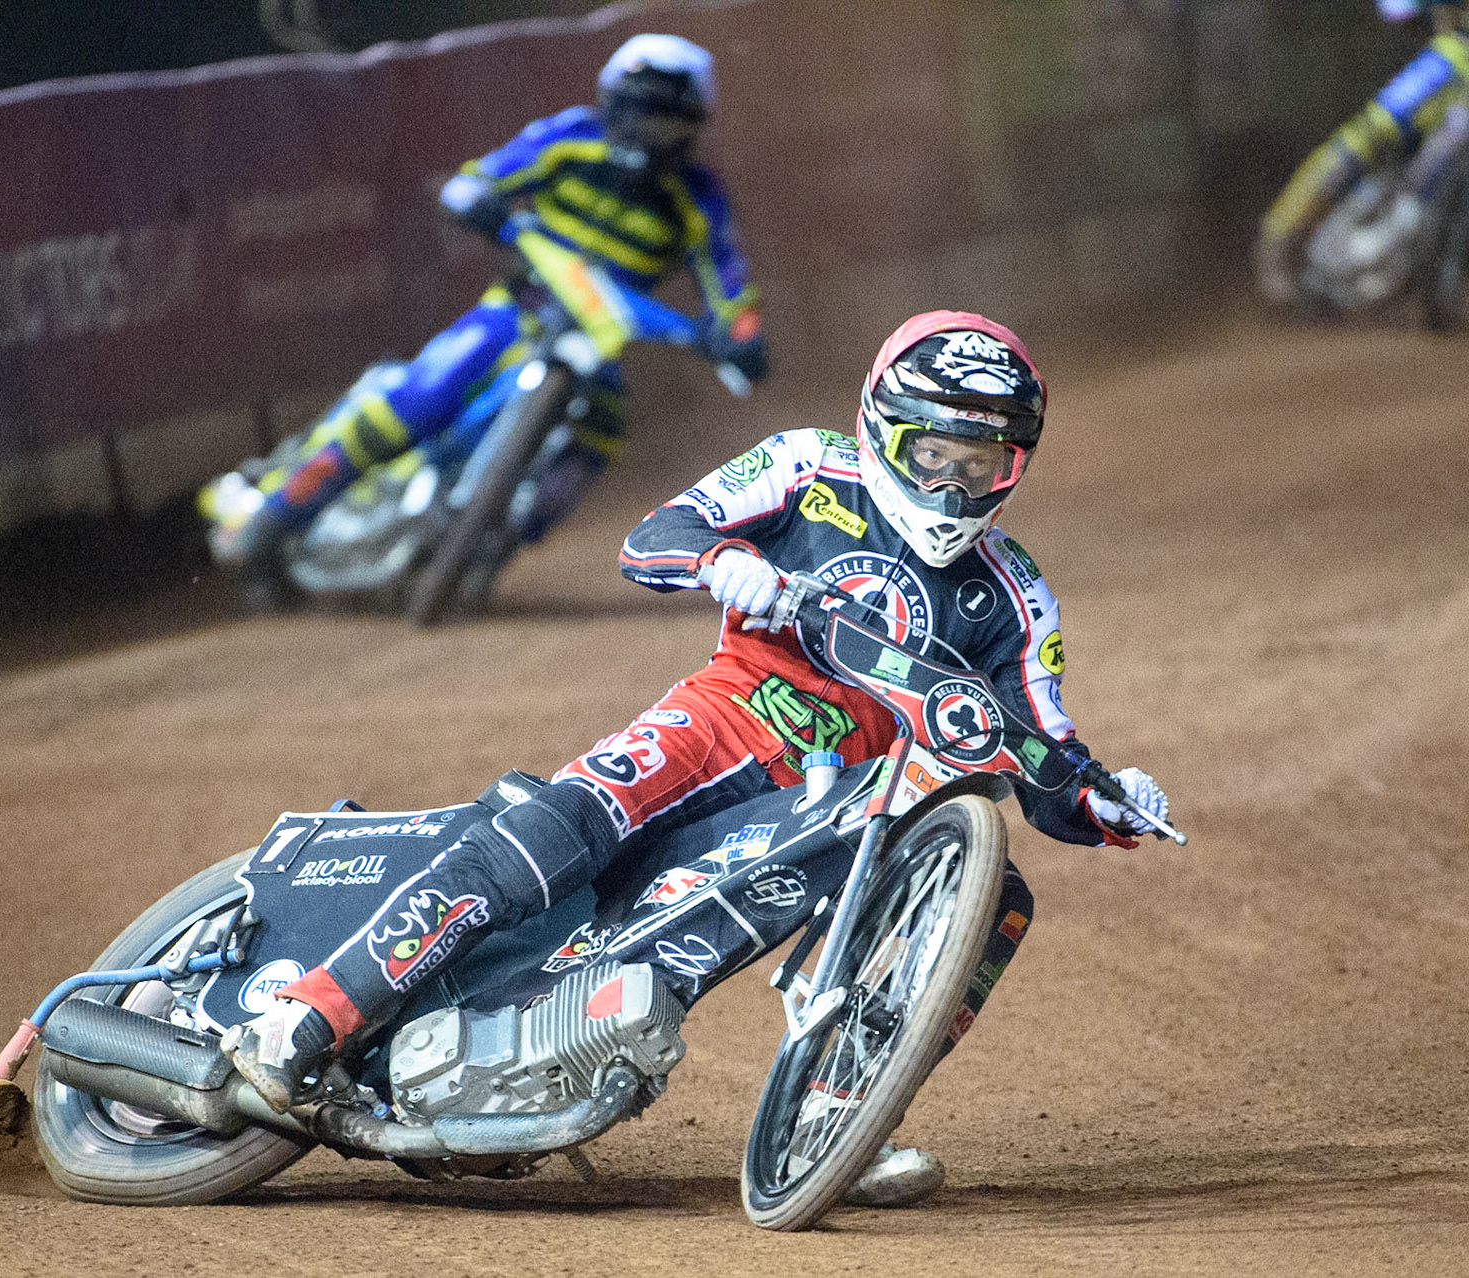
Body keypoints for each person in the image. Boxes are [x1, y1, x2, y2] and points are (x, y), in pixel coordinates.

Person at [223, 311, 1169, 1207]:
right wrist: (724, 563)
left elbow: (1045, 751)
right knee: (557, 834)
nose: (955, 486)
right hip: (719, 718)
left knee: (997, 896)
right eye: (935, 455)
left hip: (841, 800)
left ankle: (840, 1116)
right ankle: (313, 1012)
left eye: (983, 463)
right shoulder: (807, 466)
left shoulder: (1017, 595)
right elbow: (656, 535)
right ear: (885, 428)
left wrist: (1108, 800)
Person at [203, 32, 767, 590]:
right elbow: (483, 177)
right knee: (423, 393)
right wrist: (478, 200)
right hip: (517, 312)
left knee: (604, 430)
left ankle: (504, 536)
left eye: (664, 121)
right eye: (640, 115)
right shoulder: (572, 137)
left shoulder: (700, 198)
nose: (649, 133)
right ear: (612, 107)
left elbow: (730, 285)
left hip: (602, 340)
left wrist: (742, 334)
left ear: (691, 128)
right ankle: (276, 512)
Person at [1255, 0, 1469, 305]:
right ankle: (1281, 240)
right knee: (1368, 138)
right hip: (1449, 68)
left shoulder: (1443, 50)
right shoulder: (1446, 57)